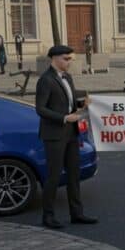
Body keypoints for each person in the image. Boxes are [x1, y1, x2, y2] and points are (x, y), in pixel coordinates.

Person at [35, 45, 97, 229]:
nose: (69, 62)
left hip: (72, 132)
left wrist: (84, 100)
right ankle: (48, 216)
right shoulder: (45, 80)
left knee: (74, 175)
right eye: (66, 59)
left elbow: (69, 99)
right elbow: (41, 108)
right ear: (54, 59)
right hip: (54, 134)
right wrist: (63, 118)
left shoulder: (67, 77)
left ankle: (77, 214)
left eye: (70, 59)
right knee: (53, 176)